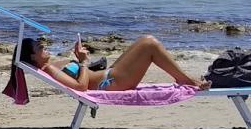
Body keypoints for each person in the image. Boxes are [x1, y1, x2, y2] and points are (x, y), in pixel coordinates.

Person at [19, 35, 209, 92]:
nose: (44, 47)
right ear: (33, 57)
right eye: (38, 47)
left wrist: (78, 58)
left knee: (145, 41)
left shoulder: (51, 65)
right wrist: (83, 62)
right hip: (113, 82)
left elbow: (78, 78)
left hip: (111, 76)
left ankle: (184, 78)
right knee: (149, 43)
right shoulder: (50, 68)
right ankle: (185, 80)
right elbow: (81, 87)